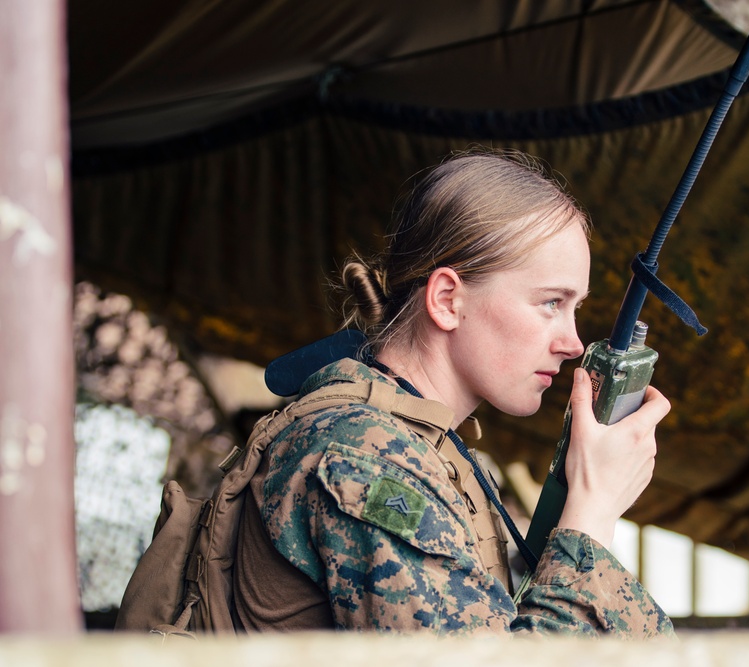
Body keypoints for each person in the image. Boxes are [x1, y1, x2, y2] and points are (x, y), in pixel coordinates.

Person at [233, 148, 673, 636]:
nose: (573, 343)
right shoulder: (364, 457)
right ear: (447, 300)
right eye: (551, 302)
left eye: (575, 308)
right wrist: (593, 510)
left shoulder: (429, 451)